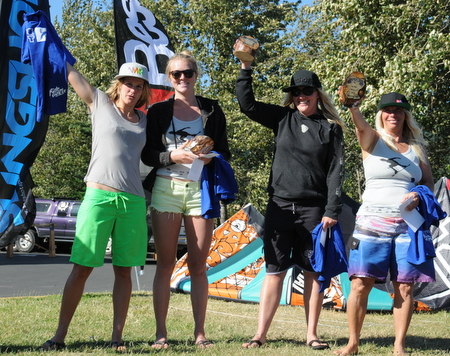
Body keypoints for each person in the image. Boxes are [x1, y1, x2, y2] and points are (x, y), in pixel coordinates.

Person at [235, 54, 345, 349]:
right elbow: (247, 105)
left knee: (312, 272)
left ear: (317, 94)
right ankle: (259, 335)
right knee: (274, 271)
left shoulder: (331, 128)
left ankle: (312, 335)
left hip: (314, 211)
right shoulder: (283, 119)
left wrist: (332, 210)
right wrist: (246, 68)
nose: (300, 96)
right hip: (280, 207)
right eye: (295, 92)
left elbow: (336, 172)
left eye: (306, 91)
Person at [40, 61, 151, 352]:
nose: (133, 89)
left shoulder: (144, 120)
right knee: (82, 268)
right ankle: (59, 337)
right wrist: (51, 41)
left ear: (143, 91)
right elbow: (71, 74)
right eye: (128, 83)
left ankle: (117, 338)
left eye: (139, 86)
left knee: (124, 272)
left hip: (133, 202)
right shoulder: (100, 102)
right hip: (98, 198)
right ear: (119, 84)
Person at [333, 92, 435, 356]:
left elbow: (428, 184)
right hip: (371, 223)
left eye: (399, 111)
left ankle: (399, 346)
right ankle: (353, 343)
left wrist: (417, 194)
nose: (393, 114)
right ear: (381, 114)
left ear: (405, 116)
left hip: (408, 226)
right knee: (360, 283)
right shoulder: (372, 140)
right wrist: (354, 105)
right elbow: (359, 125)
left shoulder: (416, 149)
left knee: (404, 285)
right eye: (387, 110)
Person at [141, 51, 231, 349]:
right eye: (177, 74)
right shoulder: (157, 111)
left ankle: (200, 333)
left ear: (196, 75)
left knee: (198, 265)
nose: (183, 78)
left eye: (188, 73)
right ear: (169, 78)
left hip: (200, 191)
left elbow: (225, 153)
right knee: (165, 263)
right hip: (166, 190)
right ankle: (161, 334)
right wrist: (172, 156)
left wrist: (210, 158)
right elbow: (148, 155)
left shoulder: (213, 110)